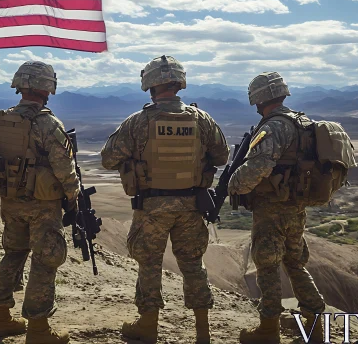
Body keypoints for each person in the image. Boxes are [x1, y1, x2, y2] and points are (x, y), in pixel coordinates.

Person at [100, 55, 230, 344]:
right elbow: (222, 156)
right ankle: (203, 332)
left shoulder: (138, 122)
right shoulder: (202, 119)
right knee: (193, 264)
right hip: (191, 206)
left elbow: (108, 159)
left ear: (150, 86)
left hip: (152, 207)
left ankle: (147, 327)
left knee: (149, 264)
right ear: (179, 82)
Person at [0, 61, 80, 344]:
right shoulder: (48, 123)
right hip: (43, 206)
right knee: (45, 261)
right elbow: (64, 168)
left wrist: (7, 184)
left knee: (13, 253)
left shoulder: (4, 120)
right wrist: (73, 195)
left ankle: (1, 319)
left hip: (11, 203)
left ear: (20, 86)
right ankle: (38, 330)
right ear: (48, 88)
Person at [228, 72, 326, 344]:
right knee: (295, 263)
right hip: (296, 207)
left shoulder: (273, 126)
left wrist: (233, 184)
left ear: (258, 99)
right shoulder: (303, 123)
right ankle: (316, 325)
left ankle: (268, 330)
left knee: (267, 265)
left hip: (272, 209)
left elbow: (259, 166)